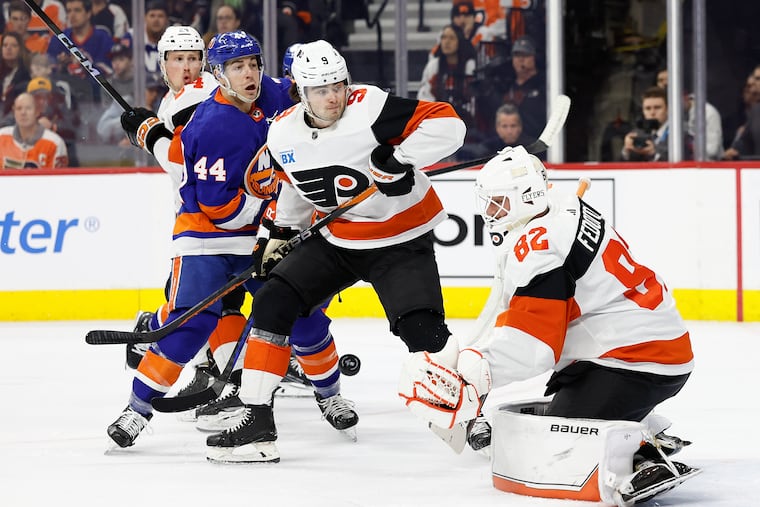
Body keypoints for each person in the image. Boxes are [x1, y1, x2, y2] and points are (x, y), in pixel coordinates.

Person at [203, 39, 466, 464]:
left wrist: (400, 158)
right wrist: (278, 236)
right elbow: (293, 187)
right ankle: (257, 419)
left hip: (400, 237)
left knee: (422, 331)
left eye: (339, 86)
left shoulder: (369, 107)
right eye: (322, 90)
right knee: (273, 298)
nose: (334, 97)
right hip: (339, 237)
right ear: (300, 92)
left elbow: (450, 125)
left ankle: (469, 413)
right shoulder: (283, 131)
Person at [399, 145, 699, 505]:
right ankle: (638, 423)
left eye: (498, 203)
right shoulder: (560, 205)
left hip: (635, 361)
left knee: (556, 446)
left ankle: (637, 452)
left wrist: (479, 372)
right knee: (553, 420)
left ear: (526, 199)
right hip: (643, 346)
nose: (489, 213)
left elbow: (536, 349)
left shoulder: (540, 249)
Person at [106, 30, 325, 449]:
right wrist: (153, 133)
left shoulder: (207, 93)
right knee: (202, 317)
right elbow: (189, 160)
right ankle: (227, 384)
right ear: (162, 63)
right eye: (178, 59)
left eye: (193, 57)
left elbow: (188, 145)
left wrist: (151, 135)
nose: (186, 67)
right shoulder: (177, 103)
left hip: (261, 228)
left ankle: (255, 380)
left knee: (286, 307)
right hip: (213, 228)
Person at [46, 0, 113, 103]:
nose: (72, 15)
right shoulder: (58, 38)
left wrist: (85, 64)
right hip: (65, 96)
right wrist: (60, 66)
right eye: (69, 11)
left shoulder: (102, 37)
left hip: (96, 97)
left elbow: (108, 72)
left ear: (88, 13)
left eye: (77, 10)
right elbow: (49, 71)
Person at [418, 24, 477, 137]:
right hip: (438, 122)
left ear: (459, 41)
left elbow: (473, 100)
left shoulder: (470, 67)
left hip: (466, 123)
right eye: (444, 38)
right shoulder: (433, 66)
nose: (446, 42)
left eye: (451, 38)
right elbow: (425, 97)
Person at [0, 92, 68, 168]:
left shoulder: (55, 143)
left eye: (28, 108)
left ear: (37, 112)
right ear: (13, 111)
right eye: (19, 108)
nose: (23, 113)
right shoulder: (1, 137)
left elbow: (58, 178)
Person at [500, 35, 546, 143]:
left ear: (535, 57)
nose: (521, 59)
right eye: (517, 55)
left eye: (526, 55)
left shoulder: (545, 85)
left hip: (536, 144)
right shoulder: (506, 85)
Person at [456, 102, 536, 161]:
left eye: (513, 126)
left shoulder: (533, 148)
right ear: (497, 128)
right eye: (504, 126)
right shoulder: (487, 148)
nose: (509, 131)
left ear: (520, 127)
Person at [622, 86, 670, 161]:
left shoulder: (679, 134)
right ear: (643, 111)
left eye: (657, 107)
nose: (652, 113)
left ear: (667, 109)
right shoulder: (637, 133)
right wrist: (626, 151)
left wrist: (654, 153)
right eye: (648, 108)